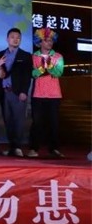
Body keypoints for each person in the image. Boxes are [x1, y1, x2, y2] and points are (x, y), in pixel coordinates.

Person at [28, 27, 65, 158]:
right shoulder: (34, 56)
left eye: (51, 40)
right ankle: (33, 148)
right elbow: (33, 73)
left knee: (54, 123)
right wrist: (43, 69)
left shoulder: (58, 56)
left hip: (54, 95)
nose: (49, 43)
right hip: (38, 94)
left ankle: (54, 149)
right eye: (46, 40)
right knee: (37, 123)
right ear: (39, 42)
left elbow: (58, 72)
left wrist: (48, 69)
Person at [0, 27, 32, 157]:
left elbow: (27, 76)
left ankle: (18, 147)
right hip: (4, 92)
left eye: (18, 38)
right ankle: (12, 146)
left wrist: (24, 91)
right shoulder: (0, 54)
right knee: (7, 120)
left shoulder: (25, 55)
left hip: (18, 92)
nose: (15, 39)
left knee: (19, 120)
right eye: (12, 37)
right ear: (7, 39)